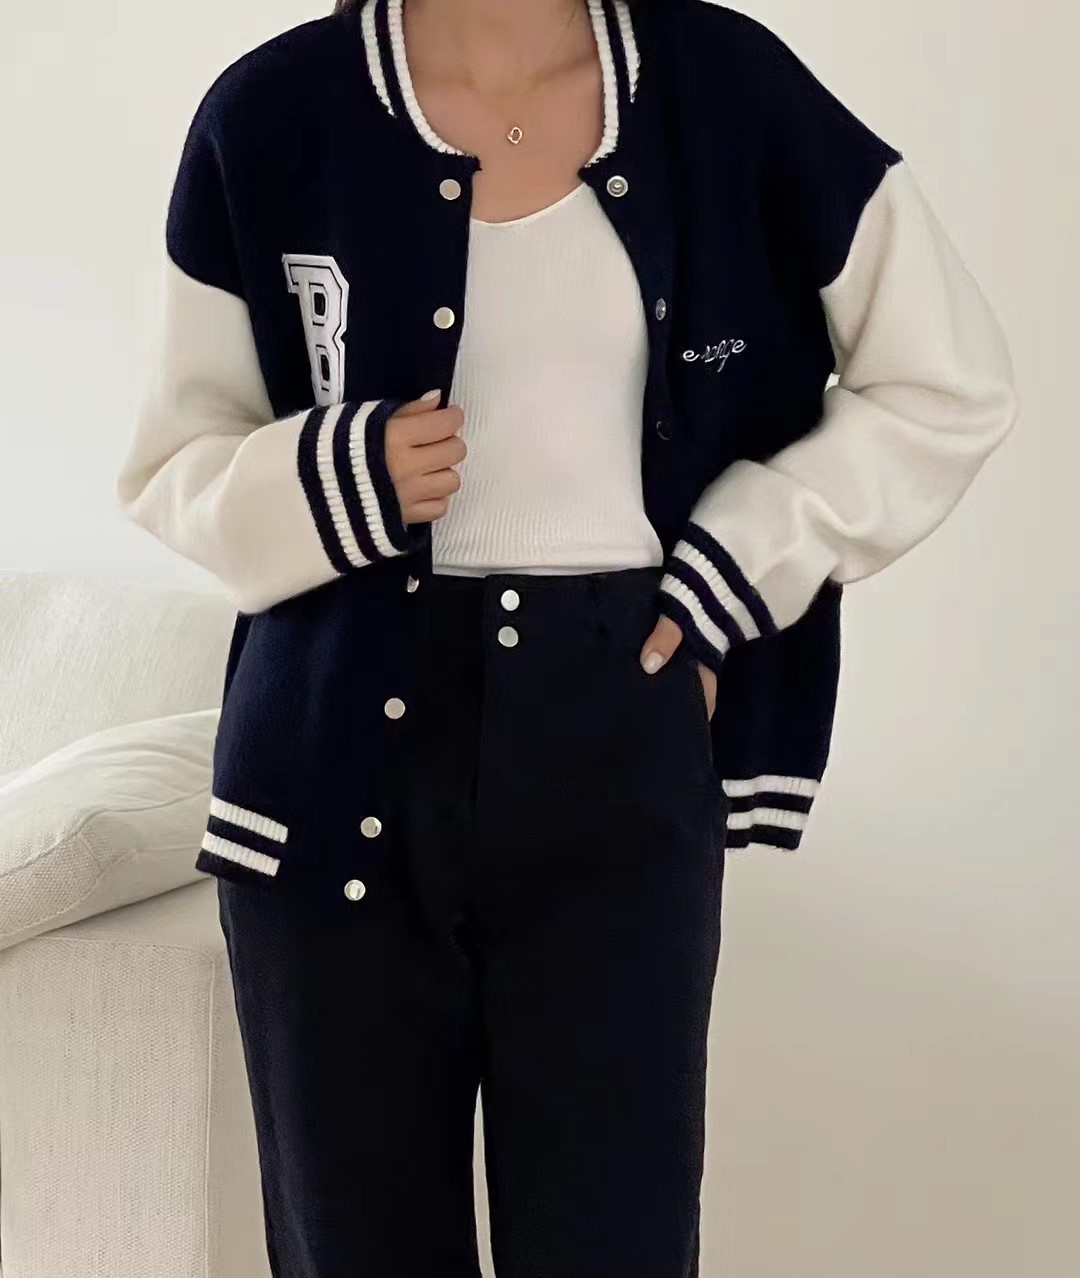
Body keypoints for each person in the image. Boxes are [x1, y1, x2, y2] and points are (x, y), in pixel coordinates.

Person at [114, 0, 1020, 1273]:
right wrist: (337, 476)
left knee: (617, 1245)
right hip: (332, 773)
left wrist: (736, 568)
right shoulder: (270, 114)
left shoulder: (729, 86)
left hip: (619, 730)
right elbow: (172, 461)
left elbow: (948, 380)